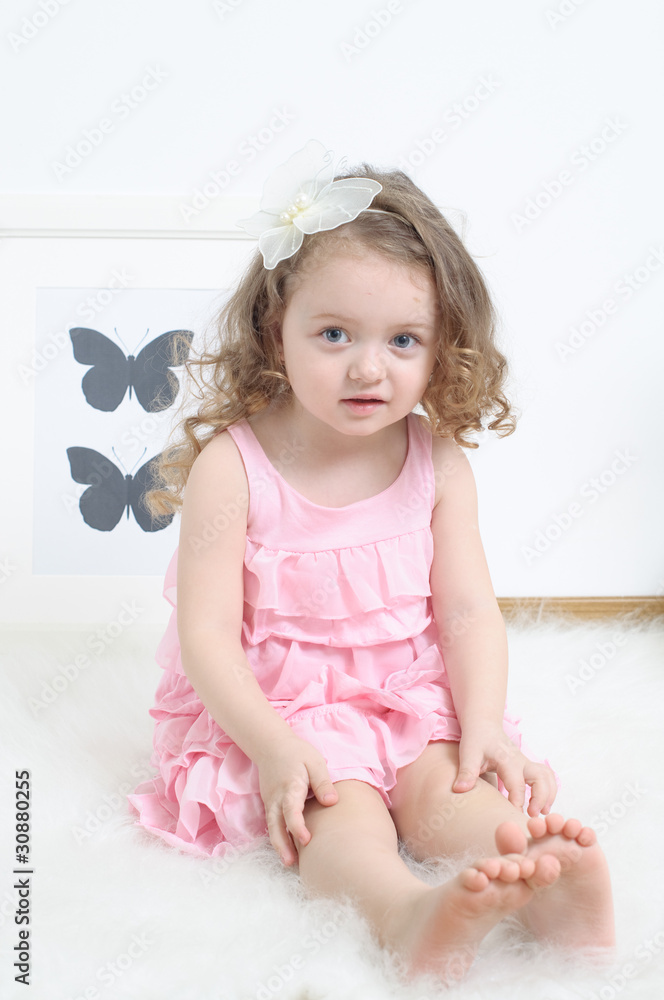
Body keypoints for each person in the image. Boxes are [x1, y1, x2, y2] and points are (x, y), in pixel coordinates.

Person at [128, 141, 614, 982]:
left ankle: (540, 881)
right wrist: (274, 747)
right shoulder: (232, 468)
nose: (367, 366)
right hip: (282, 713)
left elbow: (465, 610)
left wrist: (485, 723)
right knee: (338, 810)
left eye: (402, 340)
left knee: (444, 788)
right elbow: (206, 636)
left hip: (404, 695)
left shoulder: (437, 462)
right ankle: (403, 912)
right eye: (333, 333)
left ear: (441, 346)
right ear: (273, 332)